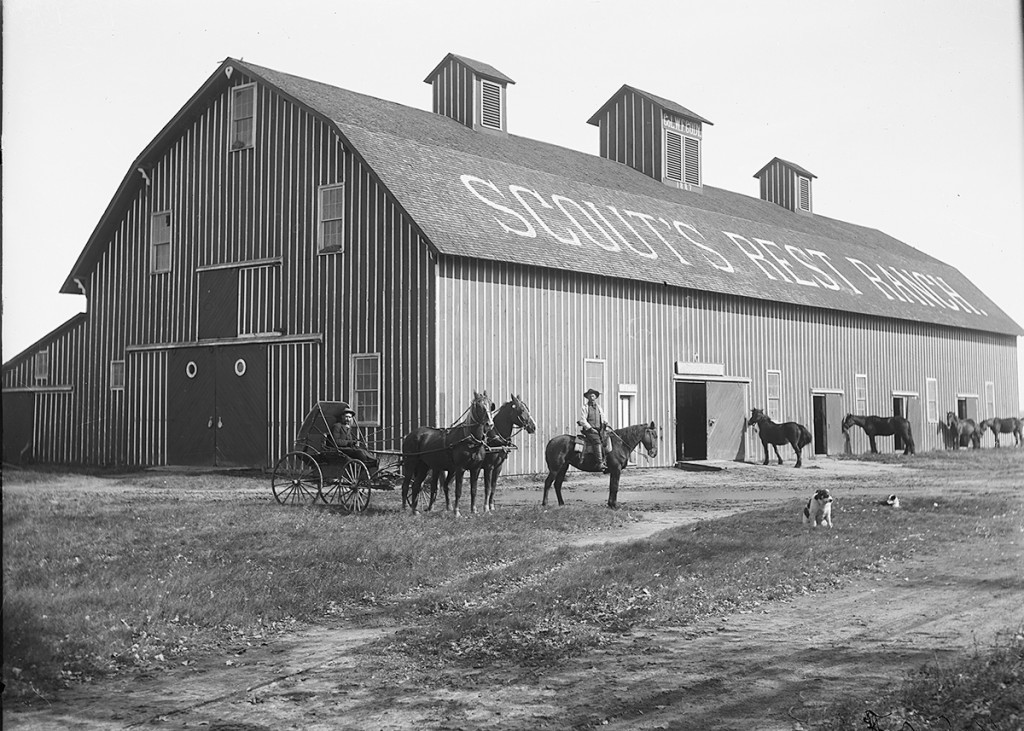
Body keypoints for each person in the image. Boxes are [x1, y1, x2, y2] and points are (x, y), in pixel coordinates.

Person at [331, 406, 379, 470]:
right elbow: (336, 441)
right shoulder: (337, 426)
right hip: (340, 449)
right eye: (346, 417)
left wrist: (354, 441)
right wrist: (349, 442)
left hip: (348, 448)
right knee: (360, 452)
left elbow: (349, 440)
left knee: (364, 450)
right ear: (342, 417)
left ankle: (373, 461)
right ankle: (366, 465)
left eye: (350, 417)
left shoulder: (348, 427)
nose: (348, 419)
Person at [577, 388, 611, 471]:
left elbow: (603, 417)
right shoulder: (585, 407)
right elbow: (583, 420)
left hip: (600, 429)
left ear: (595, 397)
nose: (591, 397)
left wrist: (606, 423)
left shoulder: (599, 407)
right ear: (587, 397)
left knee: (608, 439)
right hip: (590, 430)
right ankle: (600, 463)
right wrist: (590, 428)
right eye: (590, 396)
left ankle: (608, 461)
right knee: (597, 441)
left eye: (593, 396)